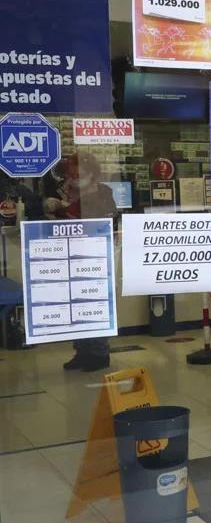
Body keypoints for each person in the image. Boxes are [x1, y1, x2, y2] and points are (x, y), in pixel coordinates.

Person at [45, 153, 117, 373]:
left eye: (79, 173)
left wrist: (70, 207)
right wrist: (53, 207)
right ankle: (82, 351)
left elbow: (110, 217)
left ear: (91, 172)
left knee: (93, 302)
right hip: (69, 252)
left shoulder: (103, 191)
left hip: (95, 253)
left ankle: (98, 353)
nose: (74, 177)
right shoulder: (63, 190)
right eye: (71, 173)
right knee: (75, 303)